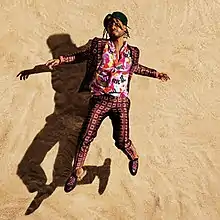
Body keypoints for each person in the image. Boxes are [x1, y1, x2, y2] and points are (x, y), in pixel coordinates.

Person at [43, 11, 170, 193]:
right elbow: (80, 56)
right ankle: (76, 171)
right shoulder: (98, 45)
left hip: (120, 102)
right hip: (100, 99)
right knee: (86, 136)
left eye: (117, 24)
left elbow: (135, 68)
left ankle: (133, 157)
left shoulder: (133, 52)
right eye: (110, 24)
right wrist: (60, 60)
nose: (113, 27)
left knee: (121, 141)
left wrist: (156, 74)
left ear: (125, 28)